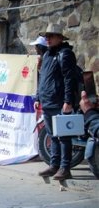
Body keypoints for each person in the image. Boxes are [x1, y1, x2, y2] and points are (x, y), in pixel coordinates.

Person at [34, 24, 79, 180]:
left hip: (59, 102)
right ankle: (54, 166)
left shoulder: (65, 54)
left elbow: (69, 79)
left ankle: (65, 168)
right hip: (47, 102)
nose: (48, 39)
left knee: (63, 137)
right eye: (46, 36)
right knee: (53, 136)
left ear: (60, 38)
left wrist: (68, 101)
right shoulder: (46, 55)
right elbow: (43, 78)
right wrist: (38, 97)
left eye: (51, 36)